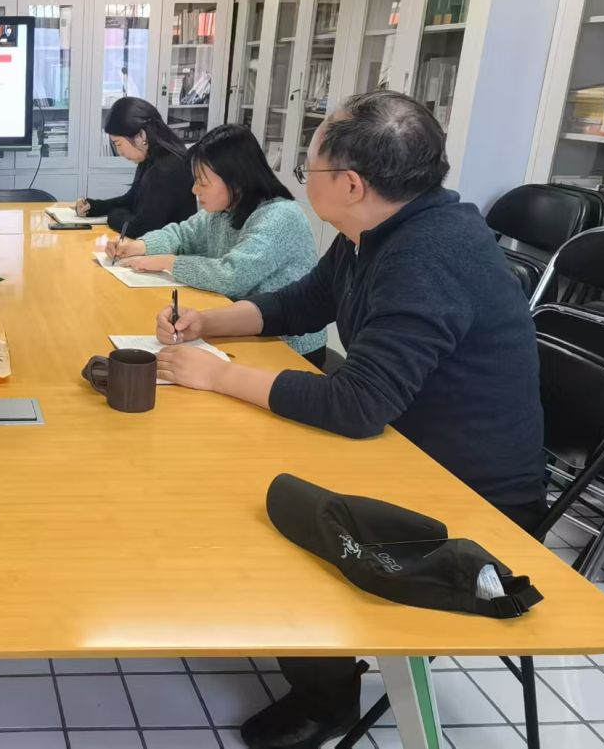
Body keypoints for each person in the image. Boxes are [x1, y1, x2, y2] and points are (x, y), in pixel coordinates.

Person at [152, 90, 544, 749]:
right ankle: (314, 666)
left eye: (308, 167)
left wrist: (216, 374)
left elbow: (357, 405)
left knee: (268, 507)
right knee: (235, 468)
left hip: (467, 496)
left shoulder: (429, 254)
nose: (302, 179)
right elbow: (301, 304)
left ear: (352, 184)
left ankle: (326, 697)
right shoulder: (380, 231)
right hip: (402, 449)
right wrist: (207, 324)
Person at [103, 124, 327, 365]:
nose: (194, 190)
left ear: (235, 180)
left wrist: (168, 262)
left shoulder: (280, 216)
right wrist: (140, 246)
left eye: (203, 182)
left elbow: (232, 275)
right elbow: (182, 234)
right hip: (242, 331)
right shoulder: (224, 209)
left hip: (288, 347)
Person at [75, 97, 197, 238]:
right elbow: (131, 199)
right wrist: (95, 207)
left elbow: (141, 229)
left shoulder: (167, 169)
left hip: (172, 250)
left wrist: (113, 216)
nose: (119, 152)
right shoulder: (150, 158)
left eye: (118, 144)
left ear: (141, 135)